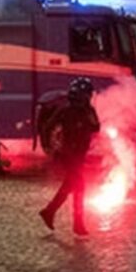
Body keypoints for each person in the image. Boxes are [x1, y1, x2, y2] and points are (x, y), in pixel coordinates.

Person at [39, 77, 100, 237]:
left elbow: (96, 127)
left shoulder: (87, 110)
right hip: (69, 155)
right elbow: (48, 126)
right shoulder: (66, 110)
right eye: (87, 94)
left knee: (70, 185)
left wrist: (88, 112)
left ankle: (50, 211)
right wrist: (49, 145)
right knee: (79, 186)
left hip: (79, 154)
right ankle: (77, 223)